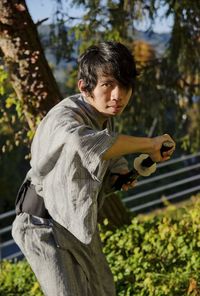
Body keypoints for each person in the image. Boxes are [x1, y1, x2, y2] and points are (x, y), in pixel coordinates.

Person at [12, 41, 175, 296]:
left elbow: (108, 159)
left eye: (124, 86)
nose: (117, 95)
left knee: (103, 291)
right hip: (43, 225)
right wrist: (150, 144)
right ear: (85, 87)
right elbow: (84, 144)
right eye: (108, 85)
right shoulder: (64, 118)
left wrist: (121, 175)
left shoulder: (104, 121)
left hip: (77, 224)